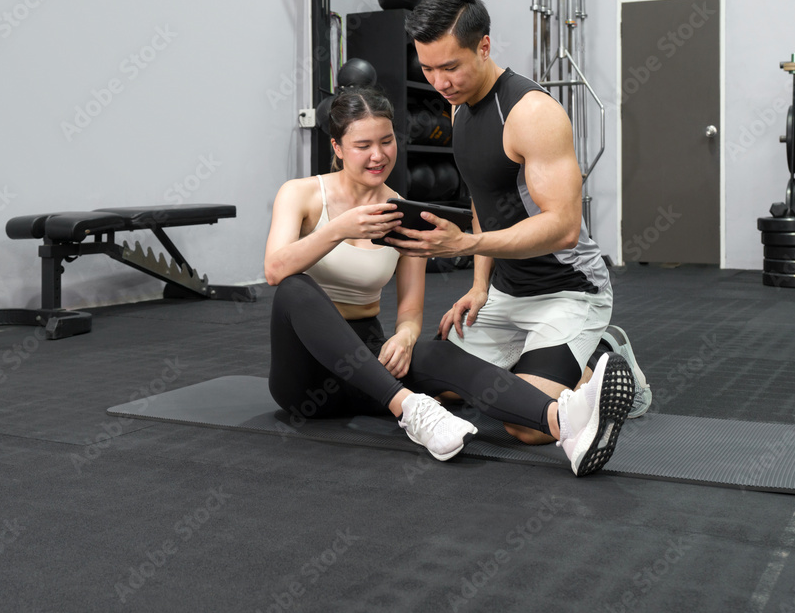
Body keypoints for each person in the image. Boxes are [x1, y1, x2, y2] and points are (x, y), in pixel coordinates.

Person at [264, 86, 636, 475]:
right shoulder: (301, 195)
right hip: (305, 380)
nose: (378, 155)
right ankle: (412, 409)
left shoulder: (401, 212)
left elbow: (409, 310)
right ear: (337, 147)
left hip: (367, 366)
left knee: (440, 352)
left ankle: (566, 424)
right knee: (294, 289)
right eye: (362, 145)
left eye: (387, 141)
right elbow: (275, 270)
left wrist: (406, 337)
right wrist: (338, 229)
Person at [390, 0, 649, 452]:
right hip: (508, 292)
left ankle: (604, 358)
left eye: (451, 67)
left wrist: (467, 246)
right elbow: (482, 202)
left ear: (484, 46)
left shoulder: (531, 113)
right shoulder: (458, 111)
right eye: (427, 69)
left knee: (526, 427)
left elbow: (564, 226)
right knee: (431, 384)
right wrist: (478, 287)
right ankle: (553, 364)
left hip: (567, 290)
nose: (439, 83)